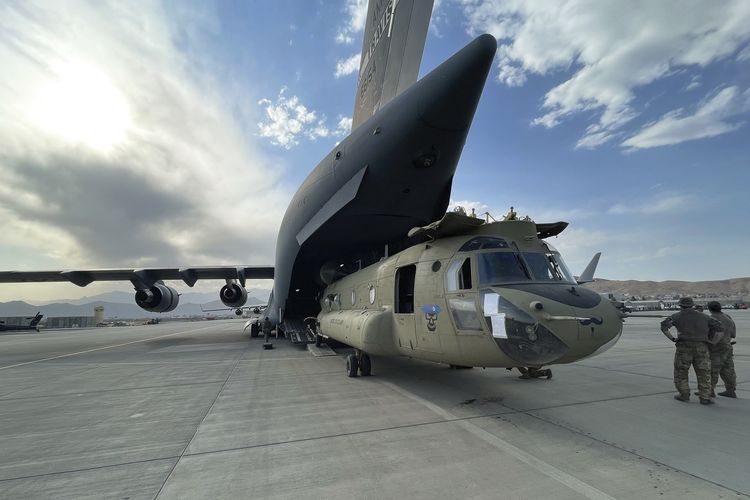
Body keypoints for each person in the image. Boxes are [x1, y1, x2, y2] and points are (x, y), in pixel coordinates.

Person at [660, 297, 722, 405]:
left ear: (680, 305)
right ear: (692, 305)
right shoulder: (705, 317)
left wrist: (672, 338)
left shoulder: (676, 316)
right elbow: (720, 329)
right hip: (702, 347)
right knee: (704, 373)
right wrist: (713, 342)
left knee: (681, 372)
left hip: (684, 347)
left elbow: (664, 327)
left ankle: (684, 394)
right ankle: (704, 397)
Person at [707, 301, 737, 398]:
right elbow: (733, 334)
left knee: (713, 369)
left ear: (709, 308)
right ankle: (731, 390)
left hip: (716, 347)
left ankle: (709, 390)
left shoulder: (711, 319)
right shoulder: (728, 318)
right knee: (728, 369)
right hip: (728, 346)